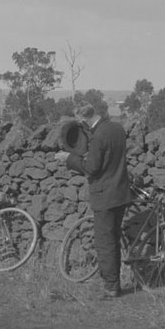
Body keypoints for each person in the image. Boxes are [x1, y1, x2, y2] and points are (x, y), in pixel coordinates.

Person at [55, 105, 131, 298]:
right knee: (113, 239)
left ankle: (111, 287)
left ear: (83, 119)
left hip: (104, 195)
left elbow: (91, 168)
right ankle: (113, 282)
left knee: (105, 242)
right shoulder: (117, 128)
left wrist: (69, 158)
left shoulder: (98, 137)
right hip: (121, 192)